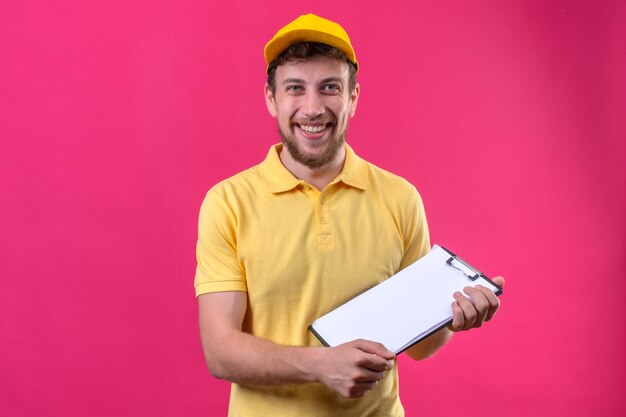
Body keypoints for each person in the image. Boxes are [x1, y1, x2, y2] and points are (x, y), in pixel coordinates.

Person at [194, 13, 504, 417]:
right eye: (295, 88)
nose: (312, 108)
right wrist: (319, 365)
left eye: (330, 88)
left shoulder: (400, 198)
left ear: (353, 98)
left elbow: (423, 347)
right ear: (271, 99)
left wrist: (452, 317)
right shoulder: (228, 203)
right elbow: (220, 351)